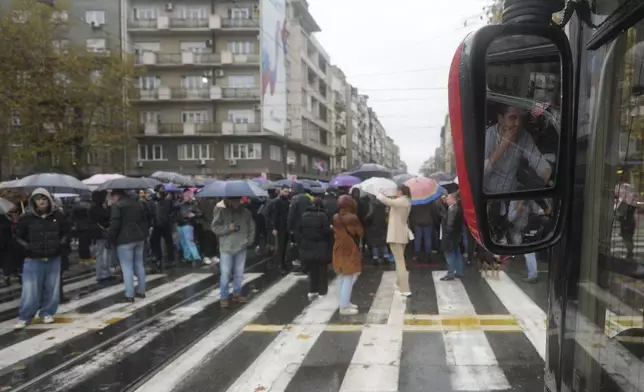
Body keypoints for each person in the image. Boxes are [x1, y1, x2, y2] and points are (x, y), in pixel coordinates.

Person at [14, 188, 70, 329]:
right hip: (33, 258)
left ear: (49, 200)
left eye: (44, 199)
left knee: (52, 288)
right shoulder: (26, 218)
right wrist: (28, 247)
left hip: (53, 257)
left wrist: (60, 245)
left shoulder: (58, 216)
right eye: (38, 199)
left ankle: (47, 313)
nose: (41, 202)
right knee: (30, 290)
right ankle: (25, 316)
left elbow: (66, 232)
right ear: (34, 202)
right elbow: (18, 236)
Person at [484, 105, 552, 194]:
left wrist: (551, 180)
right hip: (489, 194)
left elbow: (538, 161)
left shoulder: (524, 136)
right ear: (501, 118)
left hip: (512, 194)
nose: (518, 123)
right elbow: (480, 172)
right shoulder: (489, 135)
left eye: (520, 118)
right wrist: (502, 146)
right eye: (513, 118)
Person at [211, 197, 255, 309]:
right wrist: (228, 228)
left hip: (241, 246)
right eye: (234, 200)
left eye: (238, 200)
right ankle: (224, 296)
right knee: (225, 274)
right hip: (226, 247)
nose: (236, 203)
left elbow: (251, 227)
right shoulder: (221, 211)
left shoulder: (246, 212)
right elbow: (215, 227)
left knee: (239, 274)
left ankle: (236, 293)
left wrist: (249, 240)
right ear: (229, 201)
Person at [109, 190, 149, 302]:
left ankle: (129, 294)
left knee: (126, 267)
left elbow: (115, 224)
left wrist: (111, 238)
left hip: (124, 239)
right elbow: (144, 221)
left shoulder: (117, 206)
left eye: (112, 197)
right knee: (139, 264)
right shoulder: (138, 204)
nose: (111, 200)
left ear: (117, 195)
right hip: (139, 237)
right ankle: (141, 291)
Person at [376, 185, 412, 296]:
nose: (395, 192)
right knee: (399, 260)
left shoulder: (402, 200)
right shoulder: (405, 200)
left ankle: (405, 289)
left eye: (397, 190)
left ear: (400, 191)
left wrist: (379, 194)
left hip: (396, 235)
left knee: (400, 262)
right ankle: (399, 283)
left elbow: (388, 201)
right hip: (401, 234)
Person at [332, 195, 364, 315]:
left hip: (338, 247)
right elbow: (360, 232)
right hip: (349, 248)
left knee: (342, 276)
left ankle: (344, 302)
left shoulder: (335, 217)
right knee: (348, 277)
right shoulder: (353, 217)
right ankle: (344, 307)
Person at [298, 197, 332, 299]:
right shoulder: (323, 216)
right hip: (321, 245)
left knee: (312, 269)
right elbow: (326, 231)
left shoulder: (304, 215)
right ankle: (322, 292)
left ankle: (313, 290)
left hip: (308, 245)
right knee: (322, 269)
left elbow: (300, 230)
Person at [440, 192, 465, 281]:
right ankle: (459, 272)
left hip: (450, 237)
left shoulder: (451, 210)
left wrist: (446, 234)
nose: (446, 200)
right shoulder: (457, 208)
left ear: (453, 200)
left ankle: (450, 274)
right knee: (457, 254)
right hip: (456, 236)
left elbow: (450, 224)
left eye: (448, 198)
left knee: (449, 255)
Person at [176, 190, 203, 263]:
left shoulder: (193, 205)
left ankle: (196, 256)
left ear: (189, 197)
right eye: (184, 196)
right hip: (179, 224)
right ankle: (187, 257)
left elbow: (200, 213)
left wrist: (194, 215)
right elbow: (174, 207)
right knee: (183, 241)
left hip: (188, 223)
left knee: (189, 241)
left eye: (186, 196)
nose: (184, 197)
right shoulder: (180, 203)